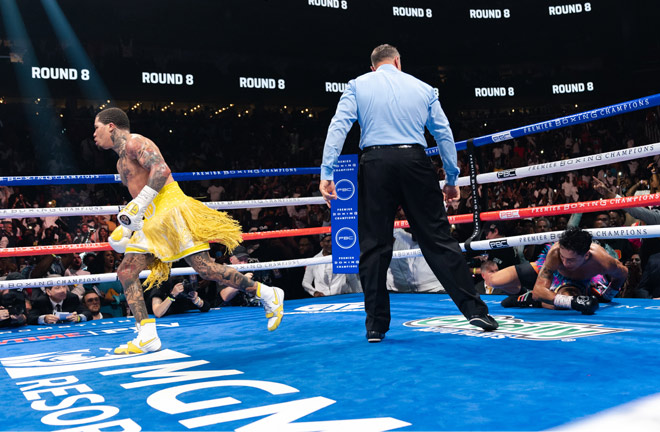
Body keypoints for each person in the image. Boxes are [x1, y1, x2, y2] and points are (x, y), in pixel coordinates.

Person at [319, 44, 497, 342]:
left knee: (374, 246)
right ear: (398, 62)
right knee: (439, 239)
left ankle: (375, 326)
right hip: (415, 161)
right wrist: (452, 178)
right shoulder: (423, 88)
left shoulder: (358, 85)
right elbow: (443, 133)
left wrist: (327, 172)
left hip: (375, 164)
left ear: (373, 66)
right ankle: (475, 310)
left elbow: (338, 127)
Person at [93, 107, 284, 354]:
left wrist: (138, 206)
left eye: (96, 127)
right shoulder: (120, 162)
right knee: (127, 271)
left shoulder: (135, 142)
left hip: (170, 209)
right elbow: (141, 194)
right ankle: (146, 335)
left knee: (204, 268)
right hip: (151, 216)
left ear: (110, 126)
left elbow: (161, 171)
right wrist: (131, 223)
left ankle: (268, 293)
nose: (94, 134)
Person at [509, 227, 628, 314]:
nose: (565, 263)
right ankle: (531, 300)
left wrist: (607, 296)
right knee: (496, 280)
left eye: (571, 260)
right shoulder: (555, 254)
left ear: (586, 256)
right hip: (559, 277)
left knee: (564, 302)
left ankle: (540, 301)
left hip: (586, 280)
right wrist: (573, 301)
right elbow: (538, 290)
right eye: (563, 257)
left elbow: (623, 274)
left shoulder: (602, 261)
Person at [28, 277, 92, 325]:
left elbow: (88, 313)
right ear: (48, 292)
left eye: (64, 287)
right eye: (57, 288)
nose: (63, 290)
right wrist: (44, 319)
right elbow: (30, 318)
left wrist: (78, 318)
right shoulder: (41, 301)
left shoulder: (72, 298)